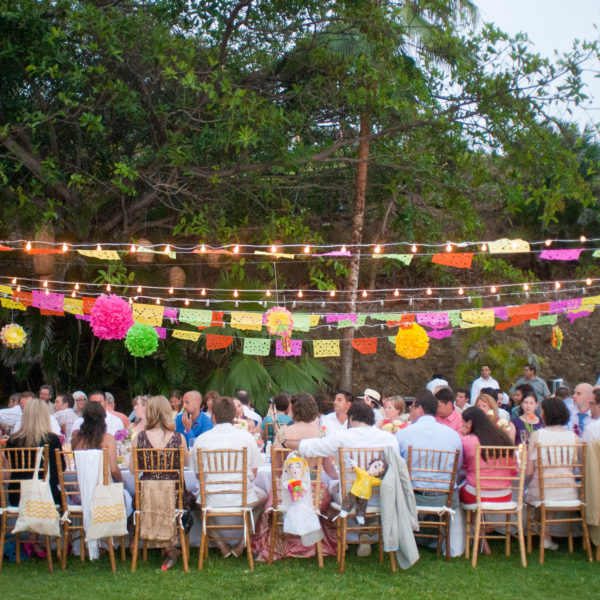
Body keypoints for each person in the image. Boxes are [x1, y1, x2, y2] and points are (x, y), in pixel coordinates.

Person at [192, 396, 266, 559]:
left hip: (211, 499)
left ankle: (220, 544)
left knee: (196, 503)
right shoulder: (247, 438)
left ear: (213, 416)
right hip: (243, 498)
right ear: (234, 415)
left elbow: (198, 476)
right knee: (265, 497)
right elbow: (253, 474)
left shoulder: (201, 440)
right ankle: (243, 543)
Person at [133, 395, 192, 571]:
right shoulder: (178, 438)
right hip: (173, 497)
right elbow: (186, 464)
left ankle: (166, 547)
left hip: (147, 498)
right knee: (190, 502)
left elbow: (131, 469)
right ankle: (173, 547)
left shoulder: (139, 438)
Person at [3, 397, 63, 558]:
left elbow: (8, 473)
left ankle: (32, 541)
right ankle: (55, 544)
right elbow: (60, 468)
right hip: (45, 496)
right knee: (61, 496)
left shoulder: (12, 440)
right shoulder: (51, 440)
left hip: (18, 495)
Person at [459, 406, 517, 554]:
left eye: (463, 424)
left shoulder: (469, 441)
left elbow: (462, 466)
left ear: (470, 424)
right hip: (504, 495)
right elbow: (514, 469)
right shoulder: (504, 439)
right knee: (475, 488)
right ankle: (483, 537)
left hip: (477, 495)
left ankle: (480, 542)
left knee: (459, 492)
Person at [526, 397, 579, 550]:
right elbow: (578, 466)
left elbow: (529, 471)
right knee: (553, 490)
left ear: (547, 414)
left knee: (542, 491)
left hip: (544, 492)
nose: (540, 414)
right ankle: (546, 536)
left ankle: (542, 532)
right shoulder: (574, 438)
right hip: (569, 492)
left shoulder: (537, 436)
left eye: (542, 411)